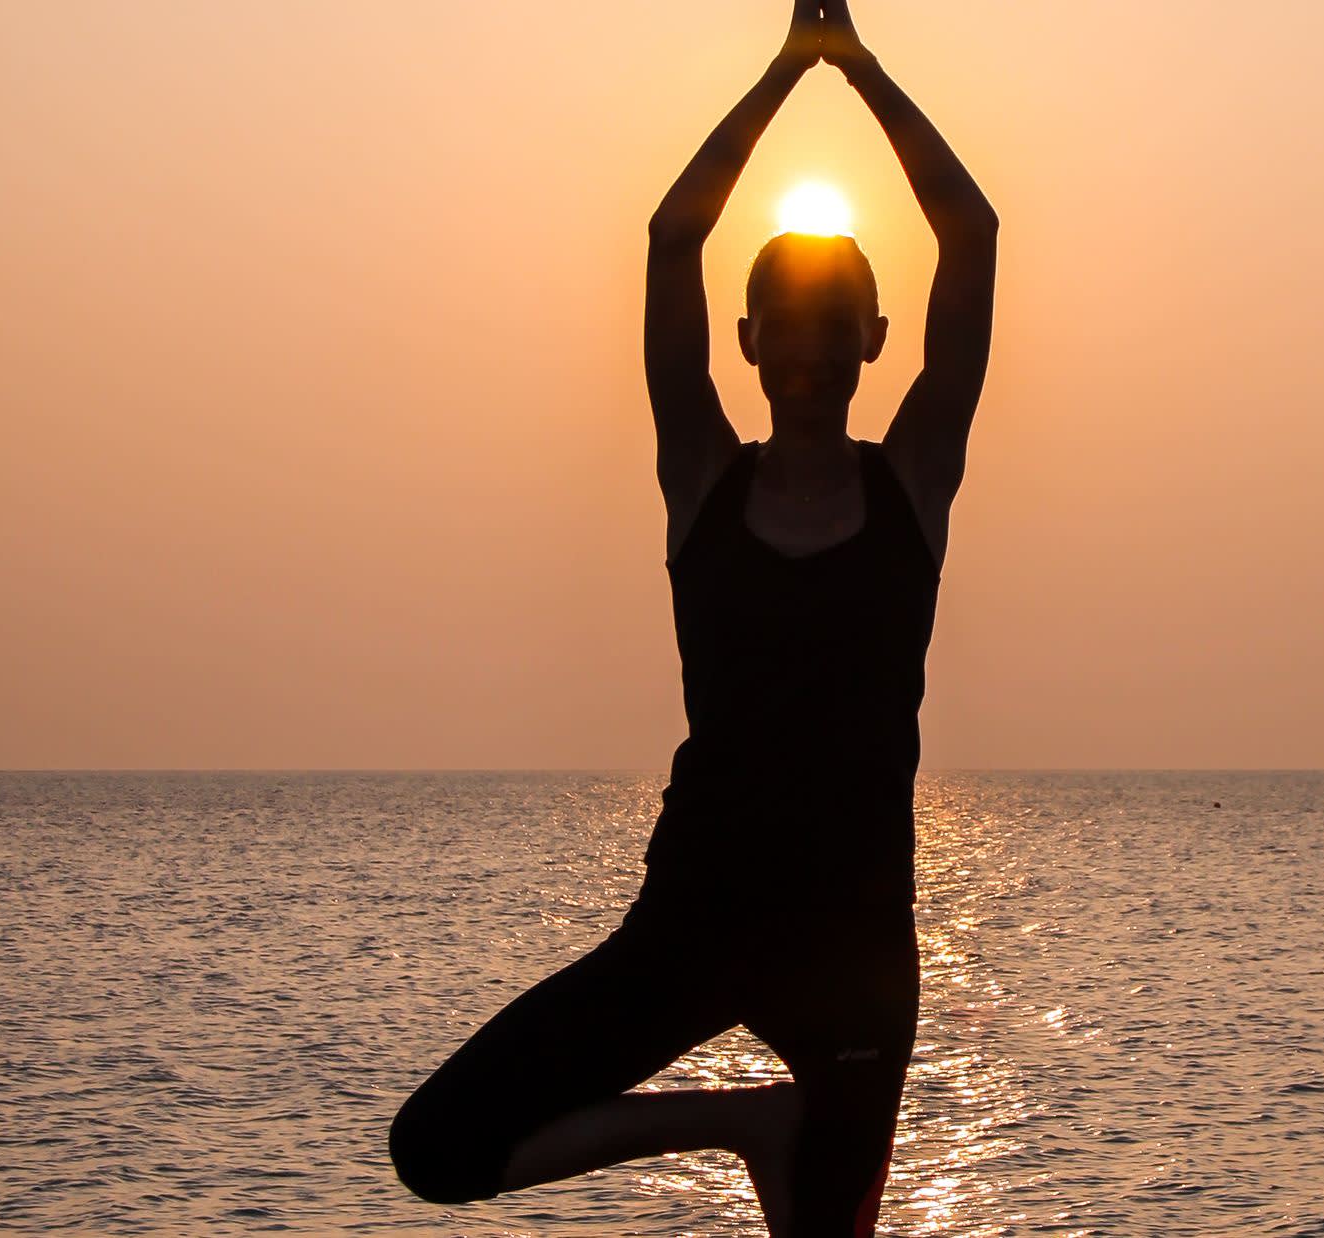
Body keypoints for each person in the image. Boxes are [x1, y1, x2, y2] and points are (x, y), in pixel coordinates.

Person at [389, 1, 995, 1232]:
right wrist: (786, 73)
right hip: (695, 915)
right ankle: (739, 1121)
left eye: (840, 325)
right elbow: (674, 235)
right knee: (439, 1147)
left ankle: (778, 1131)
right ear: (747, 339)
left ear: (877, 340)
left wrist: (861, 71)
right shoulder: (704, 483)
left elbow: (972, 234)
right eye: (789, 323)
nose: (814, 347)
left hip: (855, 948)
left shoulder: (913, 481)